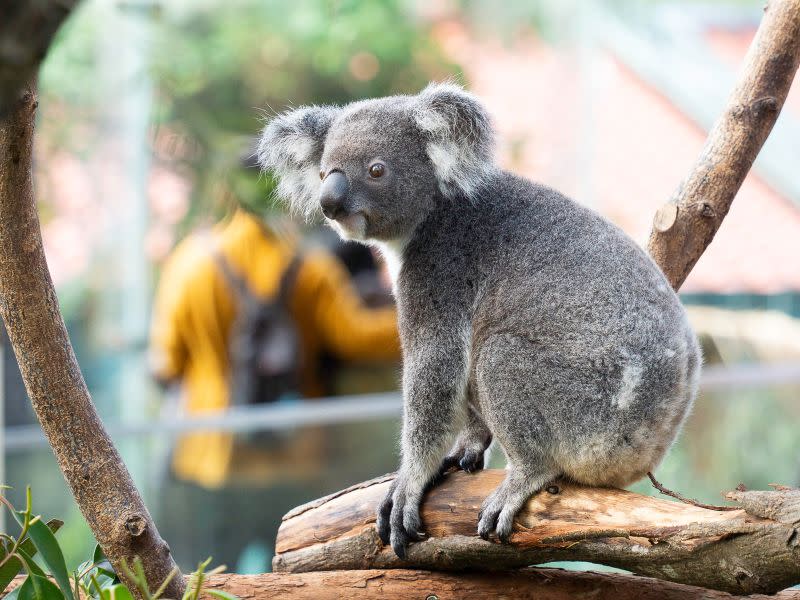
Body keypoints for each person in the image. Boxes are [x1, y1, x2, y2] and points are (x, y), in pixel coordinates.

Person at [148, 155, 401, 570]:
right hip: (295, 456)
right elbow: (355, 337)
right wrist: (430, 316)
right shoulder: (309, 267)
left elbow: (167, 362)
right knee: (290, 575)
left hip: (213, 457)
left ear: (225, 191)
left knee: (208, 579)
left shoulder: (190, 263)